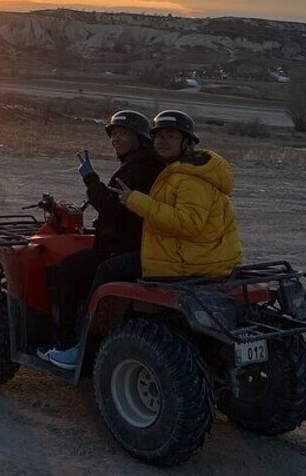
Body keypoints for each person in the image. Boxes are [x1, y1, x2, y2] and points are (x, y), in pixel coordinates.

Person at [37, 111, 164, 369]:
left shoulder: (138, 168)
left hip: (122, 248)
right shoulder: (149, 164)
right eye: (113, 134)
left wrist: (89, 177)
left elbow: (109, 207)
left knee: (65, 271)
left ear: (139, 138)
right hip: (137, 244)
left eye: (123, 134)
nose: (116, 139)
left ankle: (69, 345)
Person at [101, 110, 242, 284]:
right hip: (186, 252)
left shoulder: (191, 179)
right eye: (158, 136)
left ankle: (90, 313)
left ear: (187, 142)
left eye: (171, 135)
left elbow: (187, 224)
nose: (162, 141)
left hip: (192, 264)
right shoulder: (174, 171)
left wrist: (136, 201)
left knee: (107, 270)